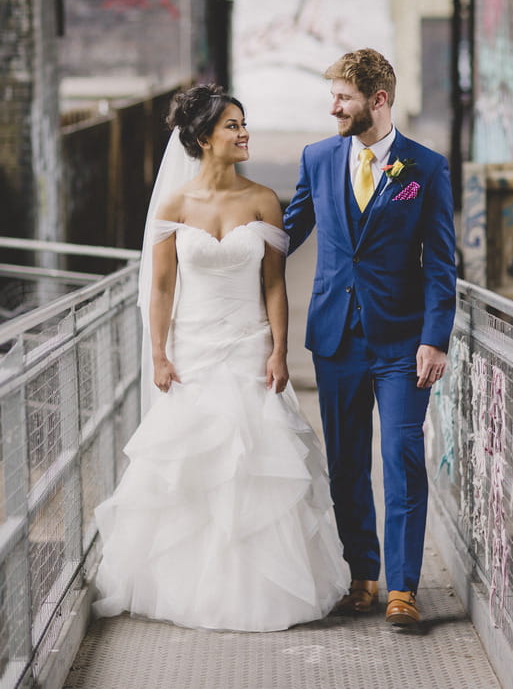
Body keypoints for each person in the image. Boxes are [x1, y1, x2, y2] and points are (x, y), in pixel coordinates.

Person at [93, 84, 348, 632]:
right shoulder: (174, 206)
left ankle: (260, 589)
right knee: (193, 465)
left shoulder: (262, 200)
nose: (244, 132)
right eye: (233, 126)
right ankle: (191, 587)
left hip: (249, 346)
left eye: (244, 123)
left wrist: (280, 349)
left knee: (257, 460)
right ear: (205, 138)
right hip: (193, 348)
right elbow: (161, 288)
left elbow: (275, 286)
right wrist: (159, 354)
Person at [283, 49, 456, 626]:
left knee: (402, 456)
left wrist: (437, 337)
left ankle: (404, 587)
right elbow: (288, 233)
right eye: (332, 96)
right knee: (348, 463)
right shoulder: (317, 157)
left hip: (404, 342)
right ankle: (363, 574)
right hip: (335, 338)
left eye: (343, 98)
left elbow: (440, 262)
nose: (333, 107)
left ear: (377, 101)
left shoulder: (425, 169)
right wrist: (218, 250)